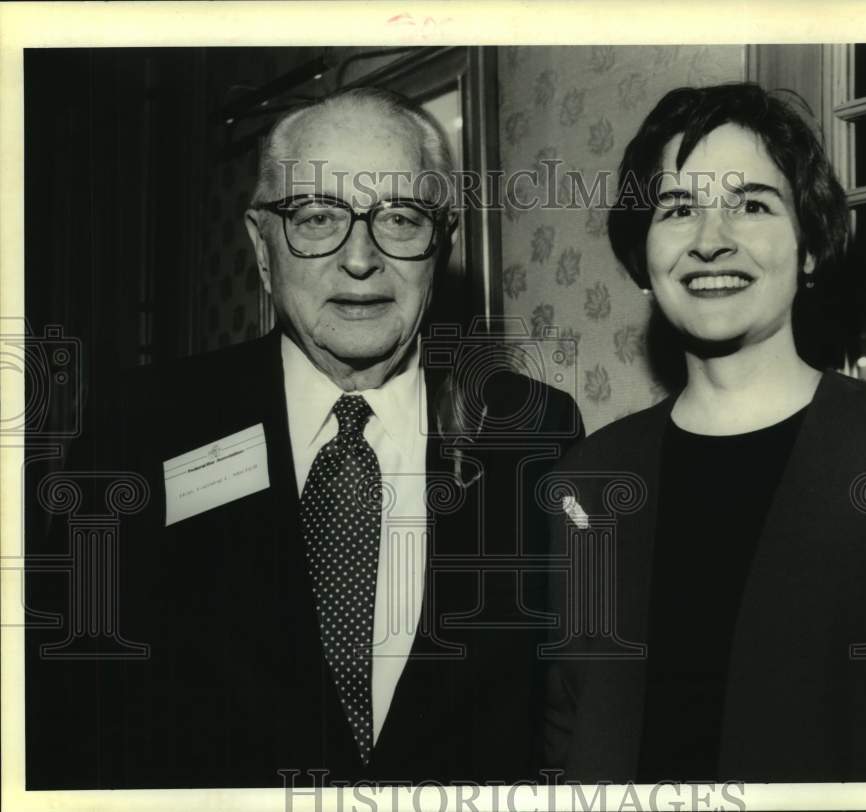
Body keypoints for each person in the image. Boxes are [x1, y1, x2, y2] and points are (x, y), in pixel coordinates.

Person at [26, 86, 583, 788]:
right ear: (261, 248)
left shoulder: (534, 430)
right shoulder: (138, 428)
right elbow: (62, 714)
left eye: (401, 218)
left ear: (441, 244)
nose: (359, 259)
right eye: (318, 217)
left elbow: (568, 713)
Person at [543, 83, 866, 783]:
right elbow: (562, 743)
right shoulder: (585, 484)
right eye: (679, 209)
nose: (712, 241)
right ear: (643, 257)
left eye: (753, 205)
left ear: (807, 247)